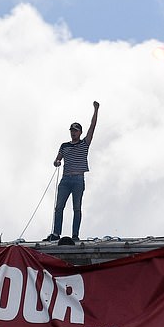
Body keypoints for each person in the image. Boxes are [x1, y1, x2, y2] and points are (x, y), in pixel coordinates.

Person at [47, 101, 100, 242]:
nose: (73, 133)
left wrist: (96, 110)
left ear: (80, 132)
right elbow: (57, 159)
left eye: (76, 130)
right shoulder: (64, 145)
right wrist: (57, 162)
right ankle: (56, 234)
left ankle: (75, 235)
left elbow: (92, 127)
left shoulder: (84, 143)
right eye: (72, 130)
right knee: (59, 207)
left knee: (77, 208)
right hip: (65, 179)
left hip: (78, 179)